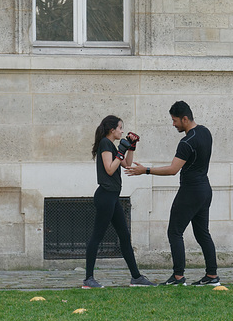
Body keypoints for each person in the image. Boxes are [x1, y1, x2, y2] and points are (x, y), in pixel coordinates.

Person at [126, 101, 220, 287]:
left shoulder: (186, 142)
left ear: (185, 118)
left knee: (174, 232)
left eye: (175, 120)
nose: (173, 124)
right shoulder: (205, 132)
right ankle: (212, 276)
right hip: (205, 190)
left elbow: (173, 169)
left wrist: (145, 170)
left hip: (190, 191)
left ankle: (178, 277)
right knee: (202, 234)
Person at [85, 115, 156, 288]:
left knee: (124, 236)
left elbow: (127, 165)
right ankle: (88, 279)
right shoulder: (105, 144)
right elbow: (110, 169)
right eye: (120, 128)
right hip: (105, 196)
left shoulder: (113, 146)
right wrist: (121, 150)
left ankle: (136, 277)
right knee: (97, 236)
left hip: (112, 196)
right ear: (112, 129)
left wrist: (130, 147)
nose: (122, 131)